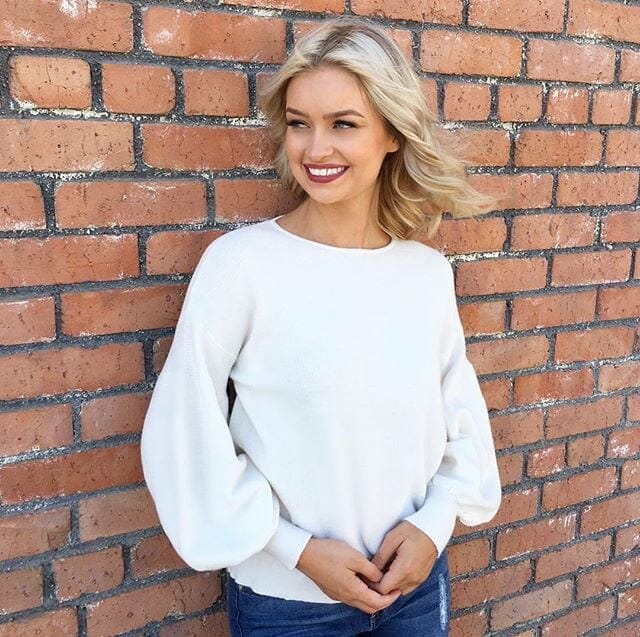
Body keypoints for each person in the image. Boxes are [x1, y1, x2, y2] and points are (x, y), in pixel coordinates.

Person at [140, 16, 503, 637]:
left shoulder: (426, 275)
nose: (315, 149)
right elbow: (184, 429)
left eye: (344, 124)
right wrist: (298, 551)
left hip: (413, 590)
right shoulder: (242, 265)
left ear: (393, 134)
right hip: (288, 605)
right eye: (299, 123)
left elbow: (459, 416)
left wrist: (434, 524)